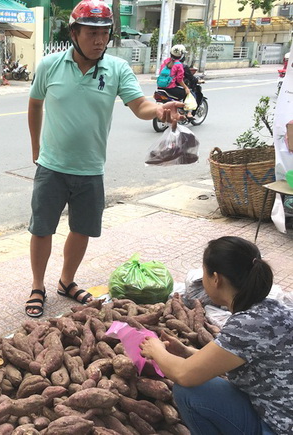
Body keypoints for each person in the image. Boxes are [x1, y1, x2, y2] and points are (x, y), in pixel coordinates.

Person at [24, 0, 183, 317]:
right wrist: (35, 148)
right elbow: (35, 105)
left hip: (91, 168)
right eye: (91, 33)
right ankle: (38, 285)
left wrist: (160, 110)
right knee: (42, 229)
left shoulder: (117, 69)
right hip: (51, 167)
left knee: (81, 229)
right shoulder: (49, 66)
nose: (99, 40)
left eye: (104, 33)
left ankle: (66, 281)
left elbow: (140, 105)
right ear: (74, 32)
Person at [140, 236, 293, 435]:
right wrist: (187, 351)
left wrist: (156, 350)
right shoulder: (273, 309)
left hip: (280, 428)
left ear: (215, 278)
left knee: (188, 391)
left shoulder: (245, 325)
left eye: (203, 273)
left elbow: (184, 375)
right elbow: (233, 358)